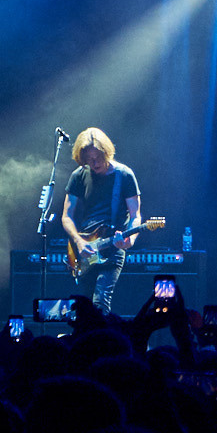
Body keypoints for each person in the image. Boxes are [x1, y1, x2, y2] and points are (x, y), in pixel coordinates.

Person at [60, 127, 143, 314]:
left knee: (101, 302)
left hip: (112, 248)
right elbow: (66, 216)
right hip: (86, 249)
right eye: (89, 159)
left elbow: (136, 215)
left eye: (97, 157)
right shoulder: (78, 176)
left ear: (106, 152)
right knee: (84, 308)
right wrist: (79, 241)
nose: (94, 163)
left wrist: (130, 240)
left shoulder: (124, 175)